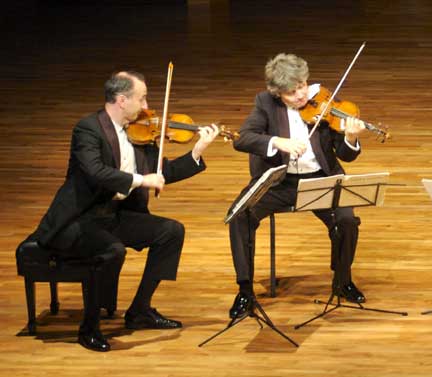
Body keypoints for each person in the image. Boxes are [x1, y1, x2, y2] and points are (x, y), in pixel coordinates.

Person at [26, 71, 220, 351]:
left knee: (170, 232)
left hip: (113, 215)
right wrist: (141, 180)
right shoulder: (88, 130)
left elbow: (162, 172)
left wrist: (197, 152)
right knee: (112, 251)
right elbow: (96, 172)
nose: (146, 106)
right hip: (79, 219)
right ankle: (89, 329)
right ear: (121, 100)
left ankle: (140, 311)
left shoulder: (140, 134)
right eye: (141, 99)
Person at [227, 53, 367, 320]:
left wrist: (349, 137)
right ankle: (245, 290)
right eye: (291, 92)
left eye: (302, 86)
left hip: (320, 178)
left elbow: (345, 155)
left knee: (347, 221)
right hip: (280, 182)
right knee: (240, 216)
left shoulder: (324, 102)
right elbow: (242, 139)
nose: (301, 95)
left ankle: (342, 279)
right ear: (277, 93)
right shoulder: (265, 103)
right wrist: (277, 141)